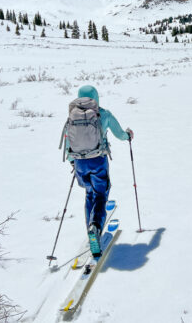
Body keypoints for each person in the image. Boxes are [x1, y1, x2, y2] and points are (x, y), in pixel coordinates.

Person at [64, 85, 133, 257]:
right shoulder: (104, 114)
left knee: (89, 193)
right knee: (101, 194)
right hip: (98, 161)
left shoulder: (72, 116)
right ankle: (95, 227)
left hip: (80, 163)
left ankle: (90, 229)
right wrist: (128, 135)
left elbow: (68, 144)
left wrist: (74, 162)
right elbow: (120, 134)